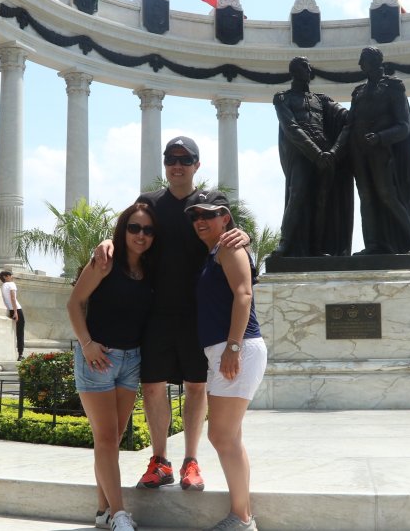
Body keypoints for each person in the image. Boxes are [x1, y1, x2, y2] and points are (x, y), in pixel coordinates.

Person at [92, 136, 248, 494]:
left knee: (197, 386)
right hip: (156, 312)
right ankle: (159, 460)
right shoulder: (149, 202)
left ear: (197, 164)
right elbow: (130, 231)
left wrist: (246, 237)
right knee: (152, 387)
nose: (177, 165)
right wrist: (108, 243)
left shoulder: (208, 203)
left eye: (185, 159)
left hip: (199, 315)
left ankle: (190, 460)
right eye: (170, 159)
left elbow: (233, 233)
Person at [67, 203, 158, 531]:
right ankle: (119, 514)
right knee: (106, 438)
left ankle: (102, 511)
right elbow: (74, 303)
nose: (141, 235)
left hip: (131, 360)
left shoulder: (150, 268)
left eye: (148, 230)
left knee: (112, 439)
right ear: (123, 230)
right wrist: (86, 343)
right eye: (134, 228)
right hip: (98, 357)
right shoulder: (105, 262)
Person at [186, 195, 266, 531]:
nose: (201, 220)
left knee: (221, 437)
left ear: (225, 218)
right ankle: (243, 514)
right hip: (227, 349)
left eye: (209, 214)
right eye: (195, 216)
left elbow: (244, 294)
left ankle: (241, 518)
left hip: (237, 348)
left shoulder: (229, 248)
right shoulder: (215, 252)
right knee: (229, 437)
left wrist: (233, 346)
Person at [337, 46, 410, 255]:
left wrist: (381, 137)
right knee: (366, 197)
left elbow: (404, 126)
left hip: (382, 151)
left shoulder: (393, 88)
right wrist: (336, 150)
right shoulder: (358, 91)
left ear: (375, 62)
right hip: (359, 152)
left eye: (363, 61)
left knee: (387, 195)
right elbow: (349, 124)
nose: (359, 65)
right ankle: (374, 244)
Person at [271, 56, 353, 257]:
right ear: (294, 72)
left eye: (308, 68)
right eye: (305, 68)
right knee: (296, 194)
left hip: (325, 152)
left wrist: (361, 109)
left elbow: (344, 116)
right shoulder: (283, 98)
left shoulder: (321, 99)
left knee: (322, 200)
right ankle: (285, 244)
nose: (309, 72)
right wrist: (315, 154)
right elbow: (291, 128)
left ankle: (317, 247)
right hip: (302, 153)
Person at [0, 270, 25, 361]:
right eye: (10, 275)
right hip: (16, 309)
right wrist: (15, 312)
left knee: (14, 332)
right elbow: (13, 298)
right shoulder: (11, 284)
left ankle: (17, 354)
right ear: (5, 277)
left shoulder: (3, 286)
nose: (12, 276)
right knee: (20, 333)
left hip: (10, 310)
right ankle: (20, 354)